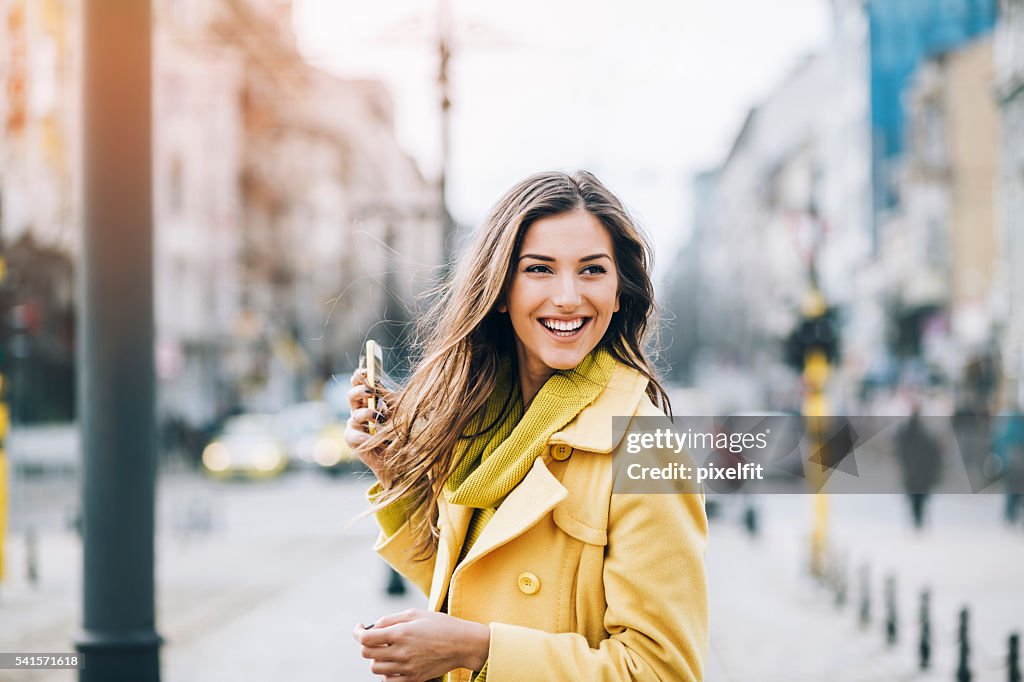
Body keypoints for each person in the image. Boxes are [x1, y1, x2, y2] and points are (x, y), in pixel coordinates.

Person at [345, 170, 708, 682]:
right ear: (499, 291)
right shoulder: (482, 429)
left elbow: (662, 670)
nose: (567, 296)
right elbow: (484, 587)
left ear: (619, 291)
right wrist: (396, 480)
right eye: (539, 269)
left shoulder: (645, 448)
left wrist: (477, 650)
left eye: (591, 271)